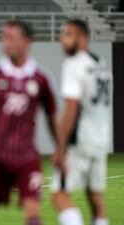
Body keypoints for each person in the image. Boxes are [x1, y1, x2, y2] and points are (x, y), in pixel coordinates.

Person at [0, 20, 58, 225]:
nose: (5, 43)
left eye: (11, 38)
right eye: (3, 37)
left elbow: (52, 116)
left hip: (27, 157)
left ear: (26, 42)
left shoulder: (41, 78)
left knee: (33, 214)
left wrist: (60, 148)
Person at [51, 19, 112, 225]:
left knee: (59, 195)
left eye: (68, 34)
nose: (63, 40)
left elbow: (70, 109)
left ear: (83, 38)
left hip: (80, 141)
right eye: (62, 34)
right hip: (100, 141)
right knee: (96, 201)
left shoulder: (74, 64)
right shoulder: (100, 64)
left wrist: (60, 148)